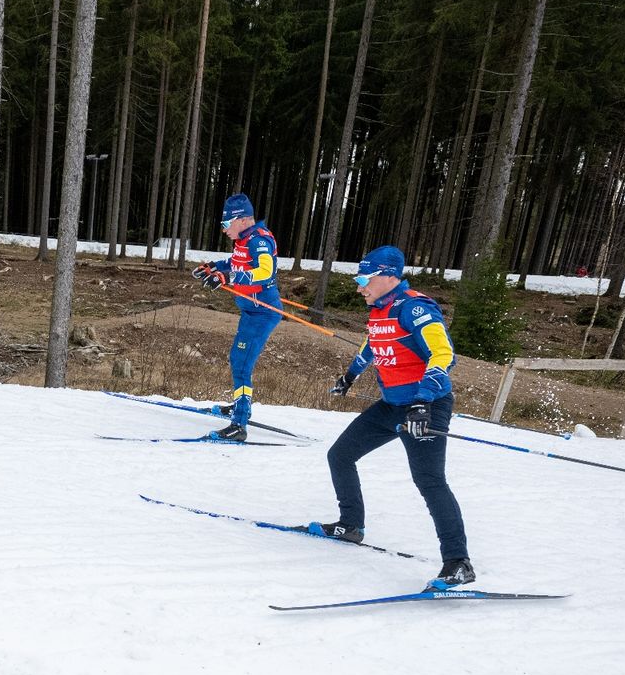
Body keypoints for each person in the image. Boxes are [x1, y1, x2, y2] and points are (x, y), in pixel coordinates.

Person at [318, 245, 475, 588]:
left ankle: (458, 562)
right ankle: (351, 526)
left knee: (429, 480)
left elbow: (443, 354)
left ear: (389, 276)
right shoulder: (379, 309)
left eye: (364, 279)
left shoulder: (416, 309)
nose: (359, 287)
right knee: (340, 455)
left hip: (426, 406)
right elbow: (372, 344)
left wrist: (422, 401)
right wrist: (349, 375)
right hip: (391, 405)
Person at [190, 193, 281, 442]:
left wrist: (229, 278)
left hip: (262, 313)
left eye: (225, 224)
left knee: (241, 361)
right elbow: (236, 262)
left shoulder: (259, 240)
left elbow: (265, 271)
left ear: (241, 220)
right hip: (251, 311)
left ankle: (239, 424)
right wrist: (214, 267)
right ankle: (241, 404)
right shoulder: (244, 240)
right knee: (237, 359)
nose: (223, 230)